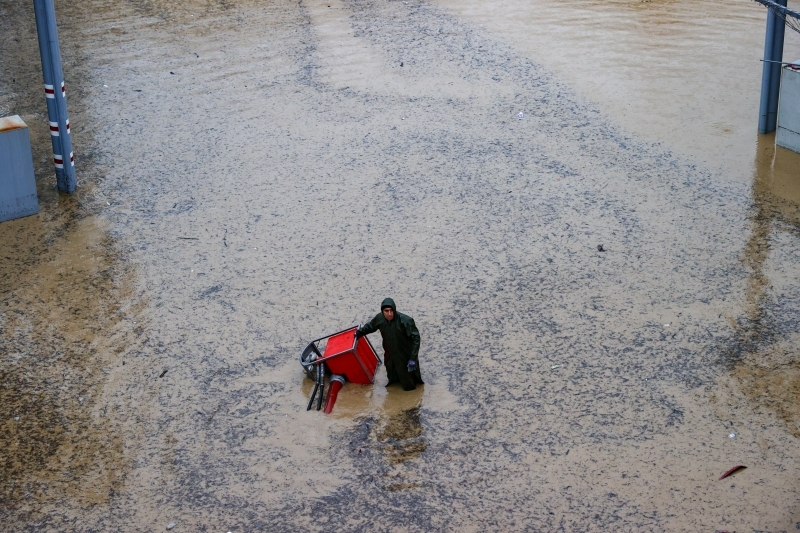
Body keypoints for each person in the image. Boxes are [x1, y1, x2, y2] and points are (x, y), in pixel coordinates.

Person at [356, 298, 424, 391]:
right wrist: (358, 333)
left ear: (394, 309)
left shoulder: (405, 320)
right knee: (392, 379)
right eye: (386, 311)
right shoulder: (379, 319)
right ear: (382, 311)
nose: (389, 313)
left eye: (391, 310)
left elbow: (416, 338)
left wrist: (413, 358)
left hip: (404, 355)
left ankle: (413, 401)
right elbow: (370, 326)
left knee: (408, 383)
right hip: (389, 354)